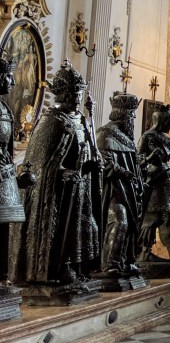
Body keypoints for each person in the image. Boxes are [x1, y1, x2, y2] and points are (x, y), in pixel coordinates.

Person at [13, 60, 101, 291]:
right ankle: (54, 267)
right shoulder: (51, 121)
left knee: (80, 228)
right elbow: (39, 164)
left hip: (79, 188)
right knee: (60, 229)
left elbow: (86, 150)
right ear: (61, 94)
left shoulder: (81, 120)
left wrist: (92, 165)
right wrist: (62, 172)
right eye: (72, 94)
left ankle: (75, 266)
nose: (76, 99)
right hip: (56, 193)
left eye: (79, 94)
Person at [96, 92, 144, 278]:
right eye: (132, 116)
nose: (133, 119)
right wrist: (124, 172)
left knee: (130, 224)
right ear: (123, 115)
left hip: (128, 189)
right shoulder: (105, 134)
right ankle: (109, 264)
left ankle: (124, 261)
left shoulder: (127, 139)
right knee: (119, 220)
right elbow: (105, 164)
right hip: (112, 190)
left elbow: (134, 163)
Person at [0, 54, 35, 289]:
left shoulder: (4, 108)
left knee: (4, 232)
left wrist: (16, 175)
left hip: (4, 177)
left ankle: (2, 279)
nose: (12, 81)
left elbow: (7, 148)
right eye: (8, 76)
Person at [137, 103, 170, 264]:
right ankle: (144, 251)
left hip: (168, 180)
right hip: (155, 180)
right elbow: (138, 160)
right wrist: (150, 157)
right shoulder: (148, 136)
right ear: (162, 121)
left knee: (164, 217)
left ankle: (149, 251)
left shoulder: (166, 138)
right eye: (169, 123)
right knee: (153, 217)